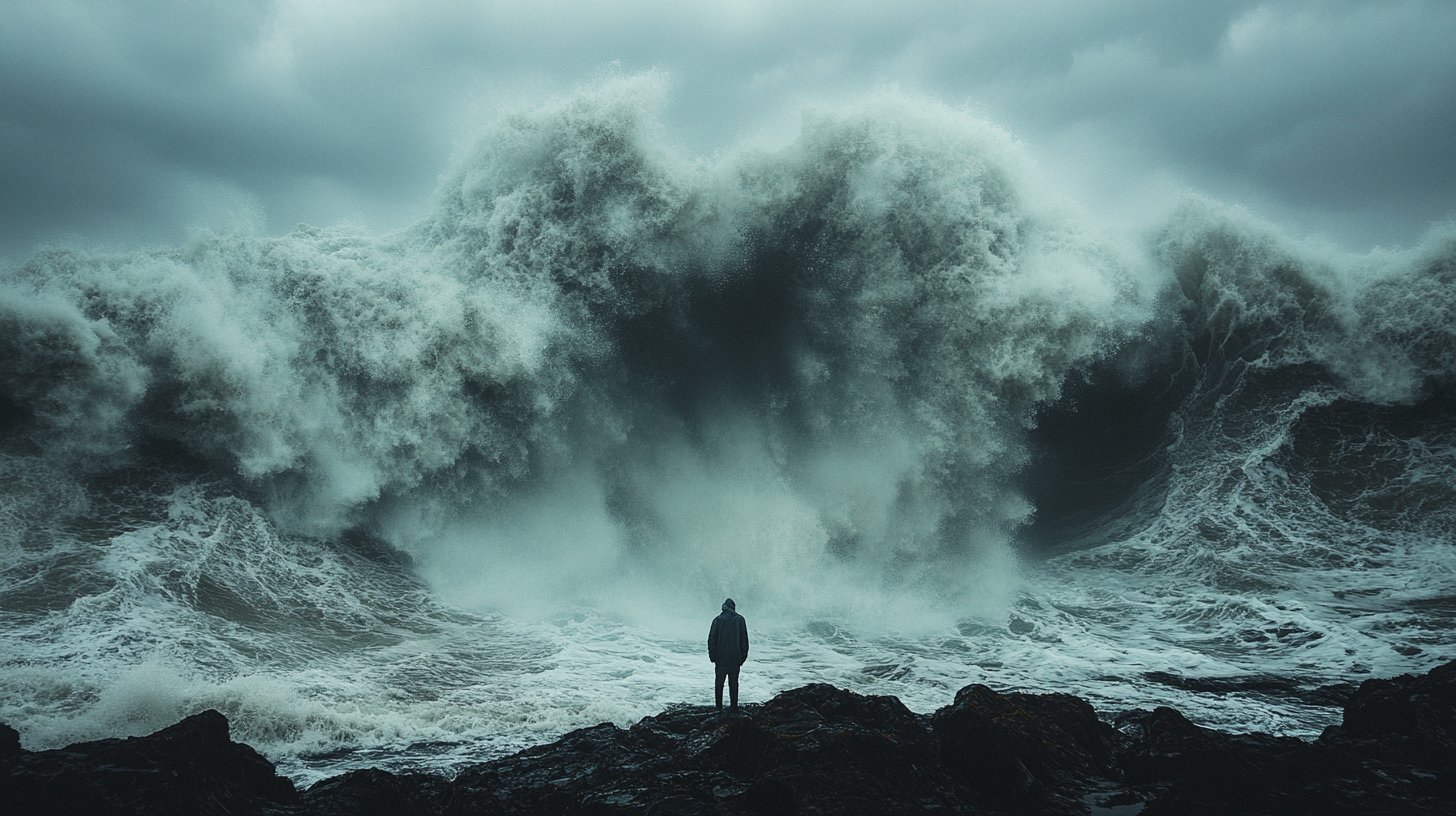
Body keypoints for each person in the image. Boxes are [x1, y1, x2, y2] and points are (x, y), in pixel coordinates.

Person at [707, 597, 749, 710]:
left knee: (719, 684)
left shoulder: (717, 620)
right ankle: (734, 707)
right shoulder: (740, 620)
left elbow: (712, 640)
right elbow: (744, 641)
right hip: (735, 658)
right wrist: (742, 657)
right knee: (734, 684)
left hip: (720, 659)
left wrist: (712, 657)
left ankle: (718, 708)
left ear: (724, 607)